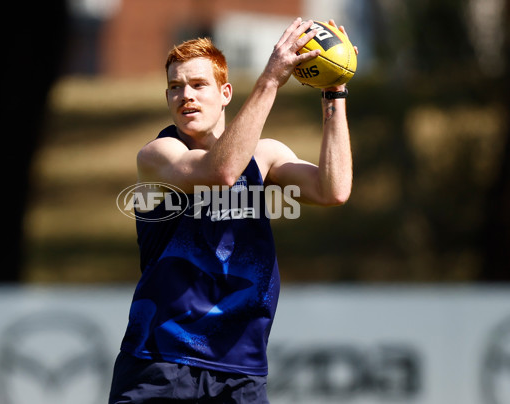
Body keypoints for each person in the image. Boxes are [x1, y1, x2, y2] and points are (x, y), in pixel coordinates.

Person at [109, 18, 355, 403]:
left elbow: (333, 189)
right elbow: (220, 172)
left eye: (198, 85)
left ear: (225, 92)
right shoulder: (159, 155)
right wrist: (271, 79)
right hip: (161, 361)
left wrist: (334, 93)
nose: (185, 95)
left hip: (241, 369)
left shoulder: (265, 156)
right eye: (175, 87)